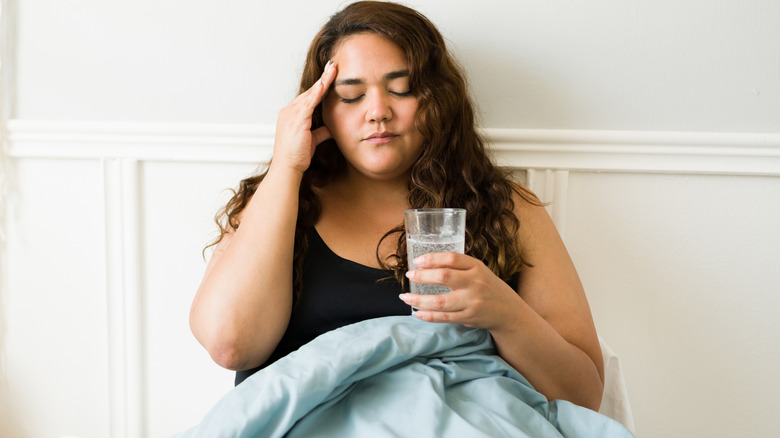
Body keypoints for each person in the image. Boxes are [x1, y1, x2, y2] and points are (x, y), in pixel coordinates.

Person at [189, 0, 605, 411]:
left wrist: (505, 313)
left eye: (401, 89)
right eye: (350, 95)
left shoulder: (508, 208)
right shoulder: (278, 203)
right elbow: (231, 346)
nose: (377, 113)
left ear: (438, 99)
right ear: (319, 111)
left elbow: (583, 396)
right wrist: (287, 164)